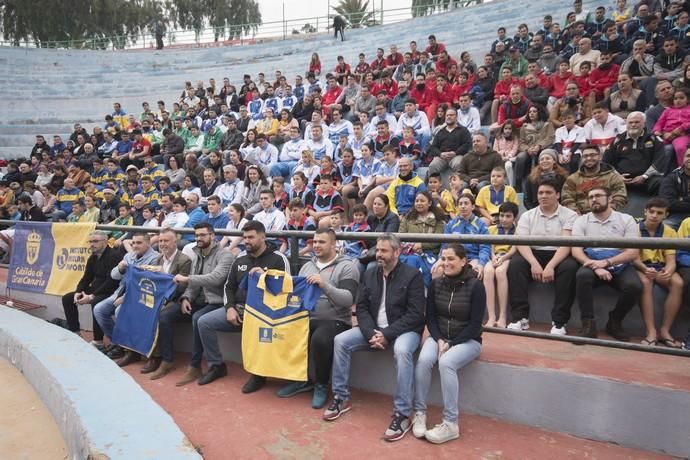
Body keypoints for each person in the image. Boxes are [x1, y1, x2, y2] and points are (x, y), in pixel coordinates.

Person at [324, 234, 424, 443]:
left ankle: (403, 414)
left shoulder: (412, 275)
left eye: (384, 251)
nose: (379, 254)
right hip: (374, 331)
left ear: (397, 252)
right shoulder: (370, 274)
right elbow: (361, 308)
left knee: (403, 350)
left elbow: (415, 314)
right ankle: (341, 398)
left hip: (404, 332)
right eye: (377, 250)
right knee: (341, 341)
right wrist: (371, 333)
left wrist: (387, 334)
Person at [196, 220, 290, 390]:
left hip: (265, 313)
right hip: (238, 309)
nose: (246, 241)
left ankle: (259, 374)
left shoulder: (278, 259)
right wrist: (230, 308)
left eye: (251, 237)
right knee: (204, 322)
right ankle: (217, 366)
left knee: (259, 326)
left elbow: (286, 289)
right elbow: (228, 287)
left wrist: (266, 277)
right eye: (244, 237)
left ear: (263, 237)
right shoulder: (240, 259)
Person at [275, 228, 359, 408]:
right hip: (307, 318)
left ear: (333, 244)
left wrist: (324, 285)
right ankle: (301, 380)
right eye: (314, 242)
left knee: (320, 339)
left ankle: (320, 384)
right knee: (285, 330)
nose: (317, 245)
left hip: (336, 320)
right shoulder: (307, 266)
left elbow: (348, 299)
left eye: (322, 242)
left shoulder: (347, 266)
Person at [412, 244, 485, 444]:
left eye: (451, 259)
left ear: (463, 261)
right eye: (443, 259)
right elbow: (431, 318)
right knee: (425, 359)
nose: (445, 263)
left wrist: (452, 342)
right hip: (440, 337)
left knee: (446, 363)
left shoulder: (476, 286)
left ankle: (451, 423)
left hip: (468, 340)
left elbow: (475, 324)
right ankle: (419, 413)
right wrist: (440, 338)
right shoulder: (436, 284)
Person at [160, 223, 235, 385]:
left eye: (203, 235)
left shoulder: (225, 255)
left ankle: (196, 366)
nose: (198, 238)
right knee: (165, 315)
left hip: (216, 301)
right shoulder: (197, 254)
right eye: (197, 235)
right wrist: (186, 298)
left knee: (198, 318)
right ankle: (166, 360)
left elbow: (216, 278)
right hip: (197, 300)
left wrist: (187, 279)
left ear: (213, 236)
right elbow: (193, 285)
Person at [507, 178, 579, 334]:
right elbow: (521, 241)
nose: (543, 196)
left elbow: (566, 244)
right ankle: (520, 317)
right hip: (533, 252)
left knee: (570, 267)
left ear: (558, 195)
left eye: (548, 192)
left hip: (559, 253)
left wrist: (551, 266)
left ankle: (560, 321)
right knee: (516, 265)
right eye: (540, 193)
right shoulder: (527, 215)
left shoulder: (570, 215)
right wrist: (534, 263)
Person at [571, 186, 642, 340]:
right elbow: (576, 251)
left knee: (634, 286)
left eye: (598, 195)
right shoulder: (581, 221)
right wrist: (595, 266)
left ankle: (615, 321)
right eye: (590, 197)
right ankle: (588, 323)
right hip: (592, 262)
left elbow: (633, 252)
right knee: (583, 277)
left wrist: (607, 262)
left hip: (619, 263)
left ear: (609, 199)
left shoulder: (626, 219)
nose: (594, 199)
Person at [93, 233, 160, 362]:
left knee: (120, 311)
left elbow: (146, 285)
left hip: (140, 296)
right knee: (99, 309)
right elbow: (114, 276)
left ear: (148, 243)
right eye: (133, 243)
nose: (135, 246)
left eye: (139, 243)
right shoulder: (129, 256)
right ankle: (118, 343)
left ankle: (130, 349)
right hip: (121, 292)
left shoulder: (155, 258)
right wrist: (120, 267)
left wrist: (125, 298)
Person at [634, 198, 684, 348]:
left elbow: (671, 260)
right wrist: (645, 269)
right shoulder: (635, 229)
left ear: (666, 215)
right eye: (652, 212)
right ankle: (651, 332)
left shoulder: (669, 231)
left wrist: (667, 272)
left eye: (659, 213)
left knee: (678, 283)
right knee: (646, 283)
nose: (654, 215)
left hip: (661, 266)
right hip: (641, 266)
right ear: (645, 212)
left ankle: (665, 330)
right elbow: (634, 258)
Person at [143, 229, 193, 377]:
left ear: (175, 242)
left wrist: (163, 275)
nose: (162, 244)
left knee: (162, 315)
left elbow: (181, 287)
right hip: (159, 298)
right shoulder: (158, 259)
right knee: (142, 308)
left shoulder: (184, 260)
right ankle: (144, 353)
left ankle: (166, 360)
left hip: (177, 299)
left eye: (166, 241)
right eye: (160, 241)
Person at [60, 231, 122, 349]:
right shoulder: (93, 257)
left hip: (112, 291)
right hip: (96, 289)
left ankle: (98, 341)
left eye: (95, 241)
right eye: (90, 241)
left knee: (96, 302)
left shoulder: (114, 256)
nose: (92, 244)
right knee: (68, 298)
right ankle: (75, 332)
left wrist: (92, 296)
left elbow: (111, 282)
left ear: (105, 242)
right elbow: (86, 278)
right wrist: (78, 292)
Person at [604, 112, 669, 195]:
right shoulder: (617, 140)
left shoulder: (653, 139)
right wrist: (617, 176)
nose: (633, 125)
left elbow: (660, 161)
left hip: (647, 179)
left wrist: (644, 176)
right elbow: (606, 162)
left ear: (644, 124)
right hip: (621, 180)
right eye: (630, 122)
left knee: (662, 182)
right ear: (626, 124)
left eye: (637, 122)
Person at [561, 143, 628, 214]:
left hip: (608, 216)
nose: (589, 158)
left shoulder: (612, 177)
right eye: (585, 156)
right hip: (580, 217)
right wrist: (576, 214)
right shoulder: (573, 179)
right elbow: (567, 199)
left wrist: (608, 212)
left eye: (592, 155)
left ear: (600, 157)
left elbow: (620, 196)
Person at [483, 202, 518, 328]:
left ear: (515, 217)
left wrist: (503, 258)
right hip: (493, 257)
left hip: (508, 257)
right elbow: (490, 246)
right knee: (488, 271)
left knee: (500, 272)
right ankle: (491, 316)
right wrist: (493, 257)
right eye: (502, 215)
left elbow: (514, 249)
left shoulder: (518, 231)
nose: (504, 219)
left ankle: (502, 316)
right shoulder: (492, 229)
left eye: (508, 216)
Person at [426, 108, 473, 176]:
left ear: (456, 117)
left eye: (451, 115)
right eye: (447, 115)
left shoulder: (463, 130)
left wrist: (455, 152)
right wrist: (440, 154)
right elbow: (433, 147)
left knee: (459, 165)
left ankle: (459, 185)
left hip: (457, 156)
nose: (449, 117)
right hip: (441, 157)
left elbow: (467, 144)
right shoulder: (440, 132)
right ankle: (434, 186)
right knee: (432, 166)